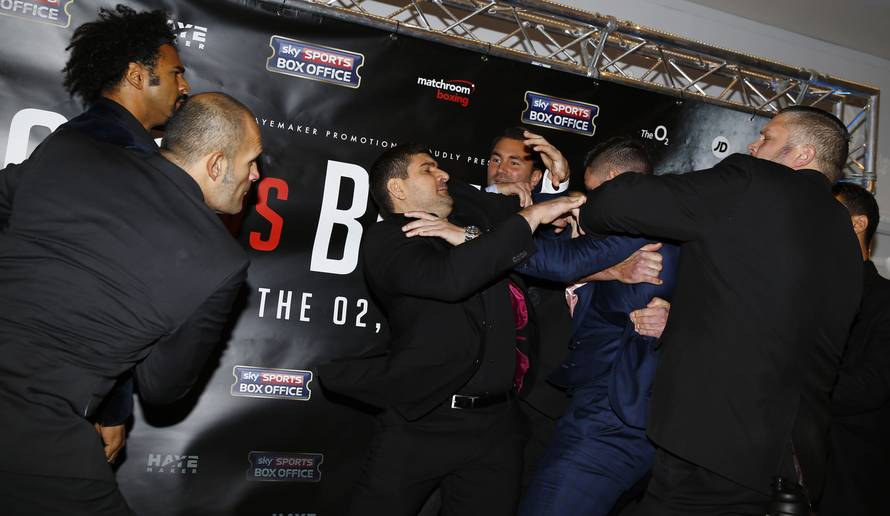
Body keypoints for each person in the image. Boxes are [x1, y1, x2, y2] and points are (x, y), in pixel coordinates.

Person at [579, 106, 863, 514]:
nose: (754, 144)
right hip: (793, 461)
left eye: (768, 137)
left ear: (803, 155)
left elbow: (614, 203)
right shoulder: (844, 232)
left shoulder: (753, 180)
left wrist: (600, 191)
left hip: (713, 445)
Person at [0, 92, 262, 515]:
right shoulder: (220, 262)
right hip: (35, 436)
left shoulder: (72, 151)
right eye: (251, 161)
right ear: (216, 165)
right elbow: (162, 388)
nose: (256, 175)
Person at [318, 144, 584, 515]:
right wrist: (531, 216)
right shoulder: (388, 239)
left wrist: (537, 200)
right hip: (426, 419)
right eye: (428, 169)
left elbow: (524, 224)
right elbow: (451, 278)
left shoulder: (469, 219)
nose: (444, 174)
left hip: (497, 425)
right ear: (397, 189)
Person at [517, 137, 679, 516]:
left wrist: (469, 239)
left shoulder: (638, 227)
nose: (589, 203)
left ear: (616, 183)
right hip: (596, 405)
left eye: (593, 192)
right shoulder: (635, 229)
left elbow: (555, 262)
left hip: (615, 413)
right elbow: (562, 256)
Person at [58, 3, 192, 461]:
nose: (185, 86)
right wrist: (111, 405)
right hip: (68, 387)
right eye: (175, 73)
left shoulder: (81, 137)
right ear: (137, 75)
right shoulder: (121, 155)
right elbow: (107, 295)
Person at [819, 183, 890, 515]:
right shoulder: (802, 295)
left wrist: (794, 383)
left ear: (858, 224)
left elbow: (871, 386)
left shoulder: (884, 301)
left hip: (853, 480)